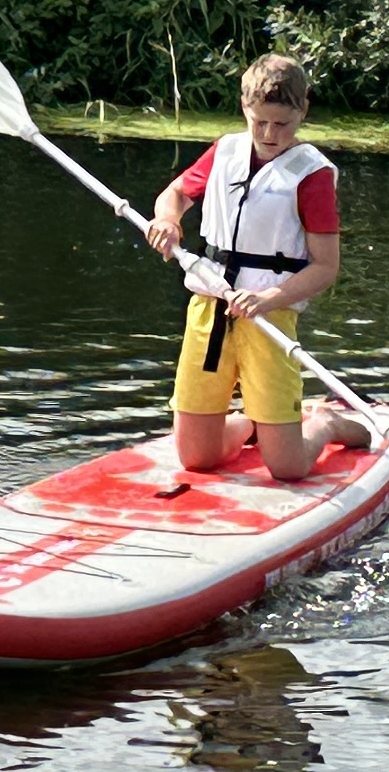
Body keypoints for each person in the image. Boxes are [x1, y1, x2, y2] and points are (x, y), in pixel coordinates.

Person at [141, 53, 376, 480]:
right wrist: (167, 220)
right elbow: (174, 194)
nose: (269, 134)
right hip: (209, 309)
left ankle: (323, 423)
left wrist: (270, 297)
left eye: (282, 124)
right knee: (197, 459)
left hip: (269, 317)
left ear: (302, 111)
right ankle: (254, 424)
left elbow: (325, 267)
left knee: (287, 468)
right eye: (259, 122)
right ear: (245, 109)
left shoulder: (312, 175)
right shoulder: (226, 151)